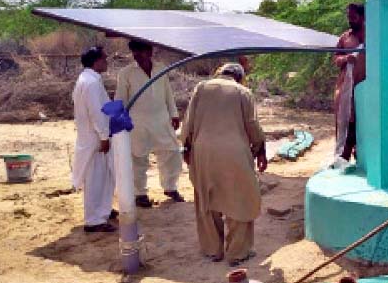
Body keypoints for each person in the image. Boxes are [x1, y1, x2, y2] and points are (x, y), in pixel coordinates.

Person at [180, 63, 267, 266]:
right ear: (239, 77)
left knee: (207, 200)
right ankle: (238, 252)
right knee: (241, 199)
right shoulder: (243, 92)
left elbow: (188, 122)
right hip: (234, 152)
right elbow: (252, 125)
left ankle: (213, 250)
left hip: (203, 151)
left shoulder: (201, 87)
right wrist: (260, 150)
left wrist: (187, 148)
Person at [115, 40, 184, 207]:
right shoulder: (126, 73)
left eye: (140, 51)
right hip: (137, 122)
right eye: (134, 53)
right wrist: (120, 121)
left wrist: (174, 114)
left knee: (172, 152)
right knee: (138, 157)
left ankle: (170, 187)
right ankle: (140, 194)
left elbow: (168, 93)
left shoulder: (161, 69)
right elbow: (120, 99)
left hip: (161, 119)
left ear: (149, 51)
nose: (137, 55)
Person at [72, 46, 117, 233]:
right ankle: (94, 220)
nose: (106, 62)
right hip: (95, 138)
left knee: (104, 176)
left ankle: (103, 210)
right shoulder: (90, 83)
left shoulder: (88, 80)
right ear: (96, 61)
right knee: (96, 179)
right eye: (104, 58)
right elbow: (96, 113)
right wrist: (104, 136)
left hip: (93, 136)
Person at [333, 3, 366, 160]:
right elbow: (336, 59)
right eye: (348, 17)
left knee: (364, 123)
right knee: (347, 123)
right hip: (347, 89)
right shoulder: (344, 38)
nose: (350, 20)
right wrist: (346, 58)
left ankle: (361, 156)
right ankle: (343, 158)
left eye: (353, 17)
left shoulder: (372, 36)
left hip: (366, 89)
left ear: (363, 17)